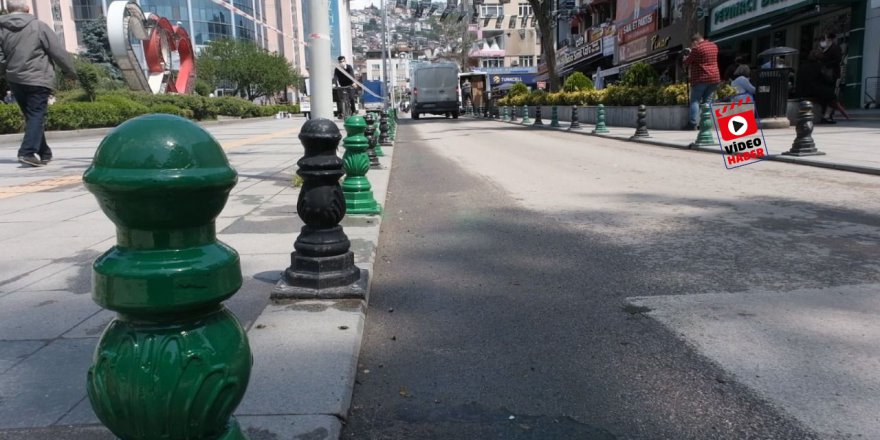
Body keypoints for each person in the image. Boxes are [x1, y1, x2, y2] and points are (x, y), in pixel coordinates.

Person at [0, 0, 76, 167]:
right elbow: (57, 51)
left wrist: (5, 69)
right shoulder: (39, 26)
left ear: (7, 10)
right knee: (36, 115)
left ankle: (44, 152)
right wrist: (70, 71)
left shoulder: (2, 28)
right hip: (38, 77)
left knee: (32, 115)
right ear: (27, 9)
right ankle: (27, 152)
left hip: (15, 78)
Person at [796, 49, 848, 123]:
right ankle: (826, 116)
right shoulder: (819, 66)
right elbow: (826, 79)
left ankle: (825, 114)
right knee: (831, 95)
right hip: (813, 90)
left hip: (801, 91)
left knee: (825, 93)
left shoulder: (802, 66)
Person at [682, 32, 721, 130]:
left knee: (695, 101)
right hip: (714, 78)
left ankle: (692, 123)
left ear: (695, 41)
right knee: (707, 102)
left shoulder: (696, 49)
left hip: (701, 78)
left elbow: (687, 62)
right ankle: (705, 123)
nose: (692, 46)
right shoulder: (714, 46)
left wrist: (685, 57)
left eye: (692, 44)